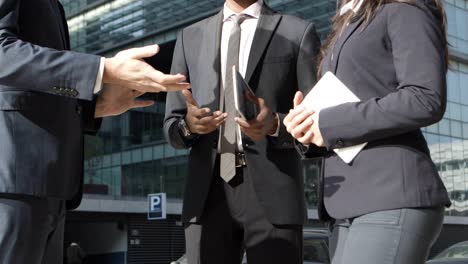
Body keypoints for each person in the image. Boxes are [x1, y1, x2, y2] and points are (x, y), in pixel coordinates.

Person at [0, 0, 190, 263]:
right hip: (13, 180)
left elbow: (30, 89)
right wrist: (102, 70)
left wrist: (94, 107)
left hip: (49, 186)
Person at [284, 0, 451, 263]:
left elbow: (425, 98)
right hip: (346, 204)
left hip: (391, 192)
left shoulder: (404, 6)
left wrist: (328, 123)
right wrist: (308, 126)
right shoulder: (348, 20)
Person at [164, 0, 320, 263]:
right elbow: (172, 127)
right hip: (206, 193)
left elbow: (317, 124)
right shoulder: (189, 37)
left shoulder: (298, 31)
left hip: (274, 191)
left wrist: (275, 125)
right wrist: (189, 126)